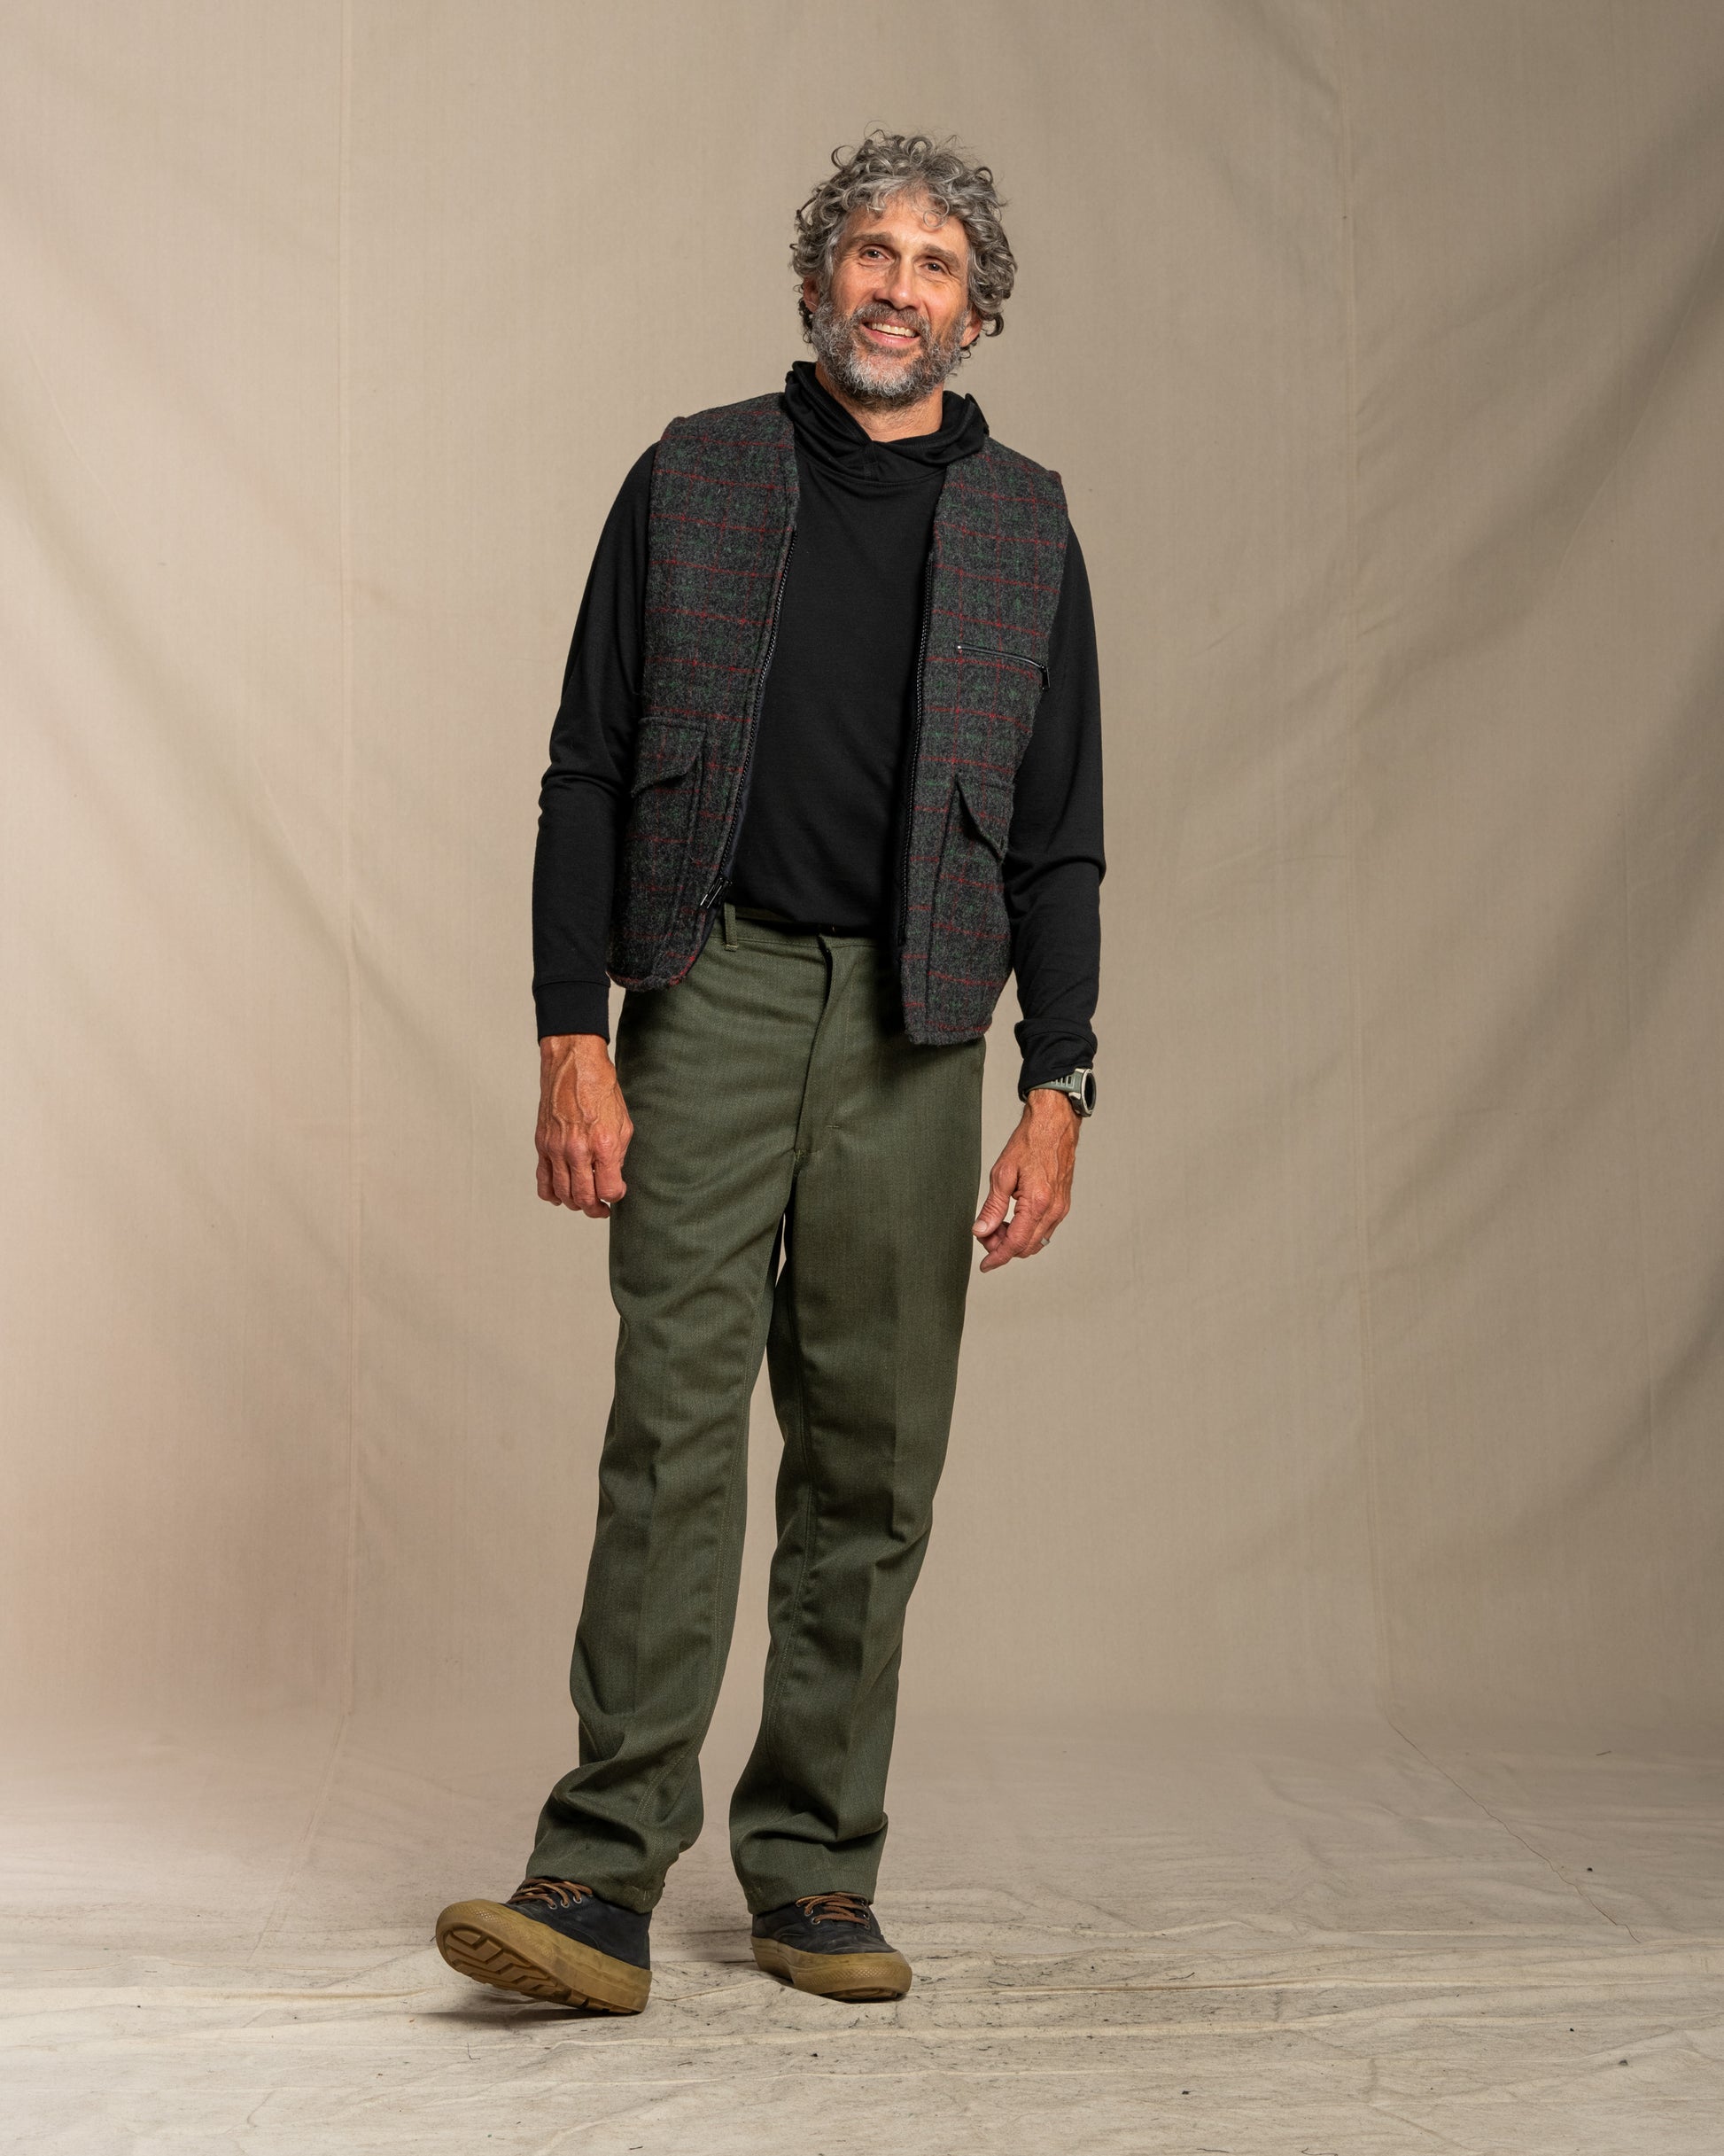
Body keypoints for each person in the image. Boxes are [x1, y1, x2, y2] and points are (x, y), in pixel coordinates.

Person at [435, 129, 1103, 2016]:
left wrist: (1061, 1085)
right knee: (670, 1432)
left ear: (978, 314)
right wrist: (577, 1031)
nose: (899, 288)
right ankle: (596, 1863)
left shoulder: (1028, 524)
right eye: (870, 254)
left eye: (937, 265)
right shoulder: (694, 473)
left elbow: (1060, 838)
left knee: (872, 1463)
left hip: (920, 1024)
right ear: (818, 278)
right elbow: (584, 762)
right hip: (710, 993)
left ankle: (812, 1870)